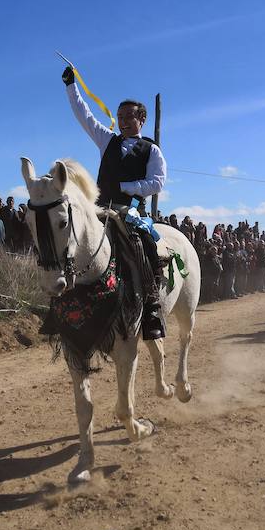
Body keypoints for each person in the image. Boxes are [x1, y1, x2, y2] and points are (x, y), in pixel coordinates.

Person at [63, 64, 168, 339]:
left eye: (128, 118)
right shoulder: (106, 139)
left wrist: (126, 187)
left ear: (141, 119)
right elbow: (84, 115)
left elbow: (157, 182)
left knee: (142, 243)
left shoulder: (151, 149)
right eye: (120, 117)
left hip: (131, 210)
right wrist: (71, 86)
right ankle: (67, 298)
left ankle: (151, 305)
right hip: (101, 209)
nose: (122, 122)